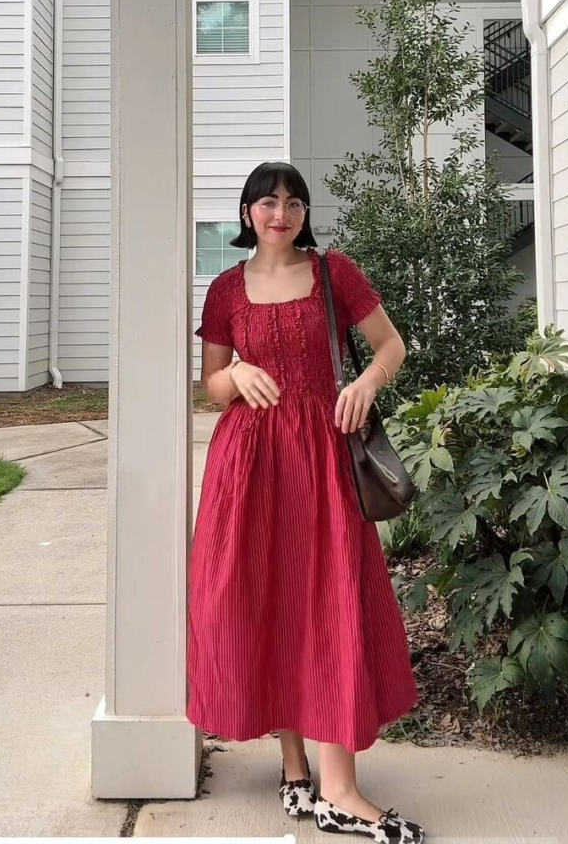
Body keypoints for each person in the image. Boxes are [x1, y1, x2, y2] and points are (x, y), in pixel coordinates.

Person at [187, 162, 424, 843]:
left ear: (304, 213)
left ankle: (340, 790)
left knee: (331, 600)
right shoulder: (226, 288)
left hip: (322, 457)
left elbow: (391, 346)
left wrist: (367, 385)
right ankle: (297, 773)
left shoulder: (333, 274)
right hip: (249, 465)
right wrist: (234, 371)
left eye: (292, 201)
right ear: (247, 212)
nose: (280, 212)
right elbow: (211, 386)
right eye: (267, 201)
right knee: (270, 602)